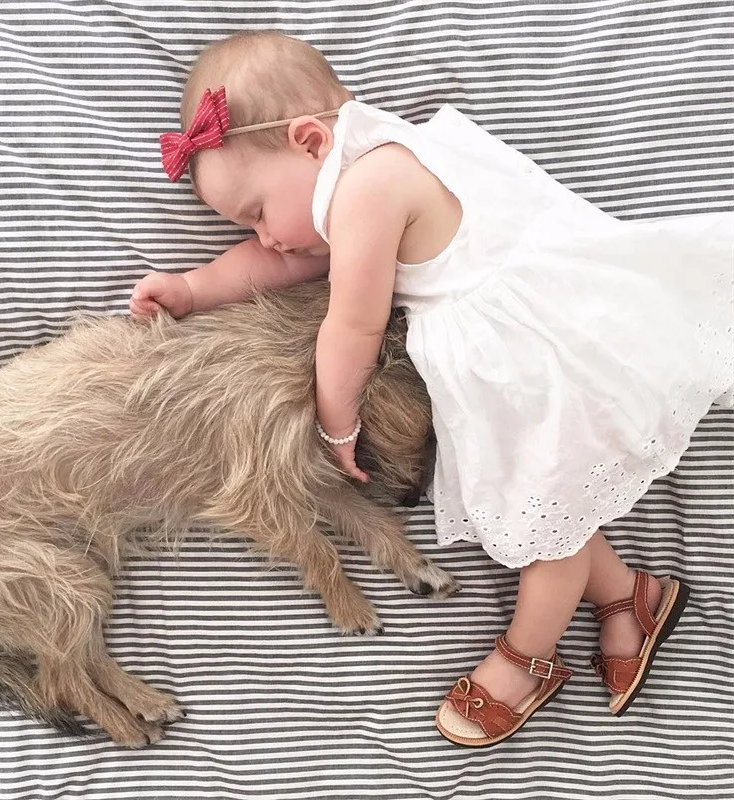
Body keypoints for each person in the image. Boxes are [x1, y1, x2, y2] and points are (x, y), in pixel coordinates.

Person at [130, 30, 734, 747]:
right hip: (536, 352)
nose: (264, 236)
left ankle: (527, 658)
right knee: (555, 502)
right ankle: (633, 599)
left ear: (310, 141)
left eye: (256, 211)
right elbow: (284, 263)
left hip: (538, 363)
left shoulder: (371, 185)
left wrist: (336, 423)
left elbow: (352, 324)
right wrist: (194, 288)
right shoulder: (373, 165)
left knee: (549, 533)